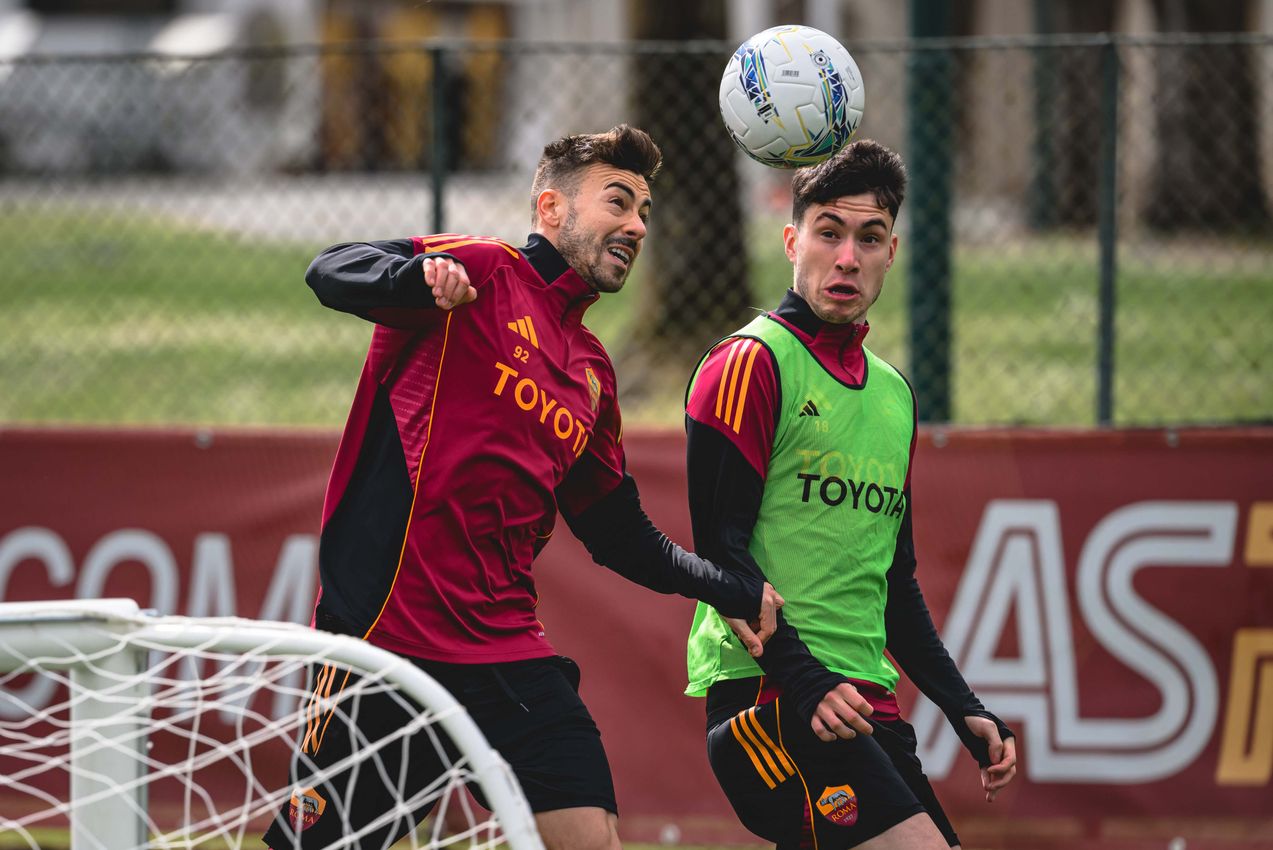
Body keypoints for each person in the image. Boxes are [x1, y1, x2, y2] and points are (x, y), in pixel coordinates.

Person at [263, 125, 782, 850]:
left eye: (644, 210)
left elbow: (615, 533)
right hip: (386, 642)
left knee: (589, 836)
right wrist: (413, 282)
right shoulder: (479, 271)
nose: (636, 224)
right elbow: (329, 269)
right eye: (617, 201)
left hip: (507, 651)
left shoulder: (592, 371)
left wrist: (725, 587)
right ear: (550, 209)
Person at [683, 139, 1018, 850]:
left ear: (891, 252)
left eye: (868, 238)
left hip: (865, 706)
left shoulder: (894, 394)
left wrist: (961, 707)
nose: (847, 257)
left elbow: (892, 582)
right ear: (790, 239)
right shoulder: (749, 363)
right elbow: (721, 557)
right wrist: (802, 680)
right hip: (771, 701)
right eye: (828, 232)